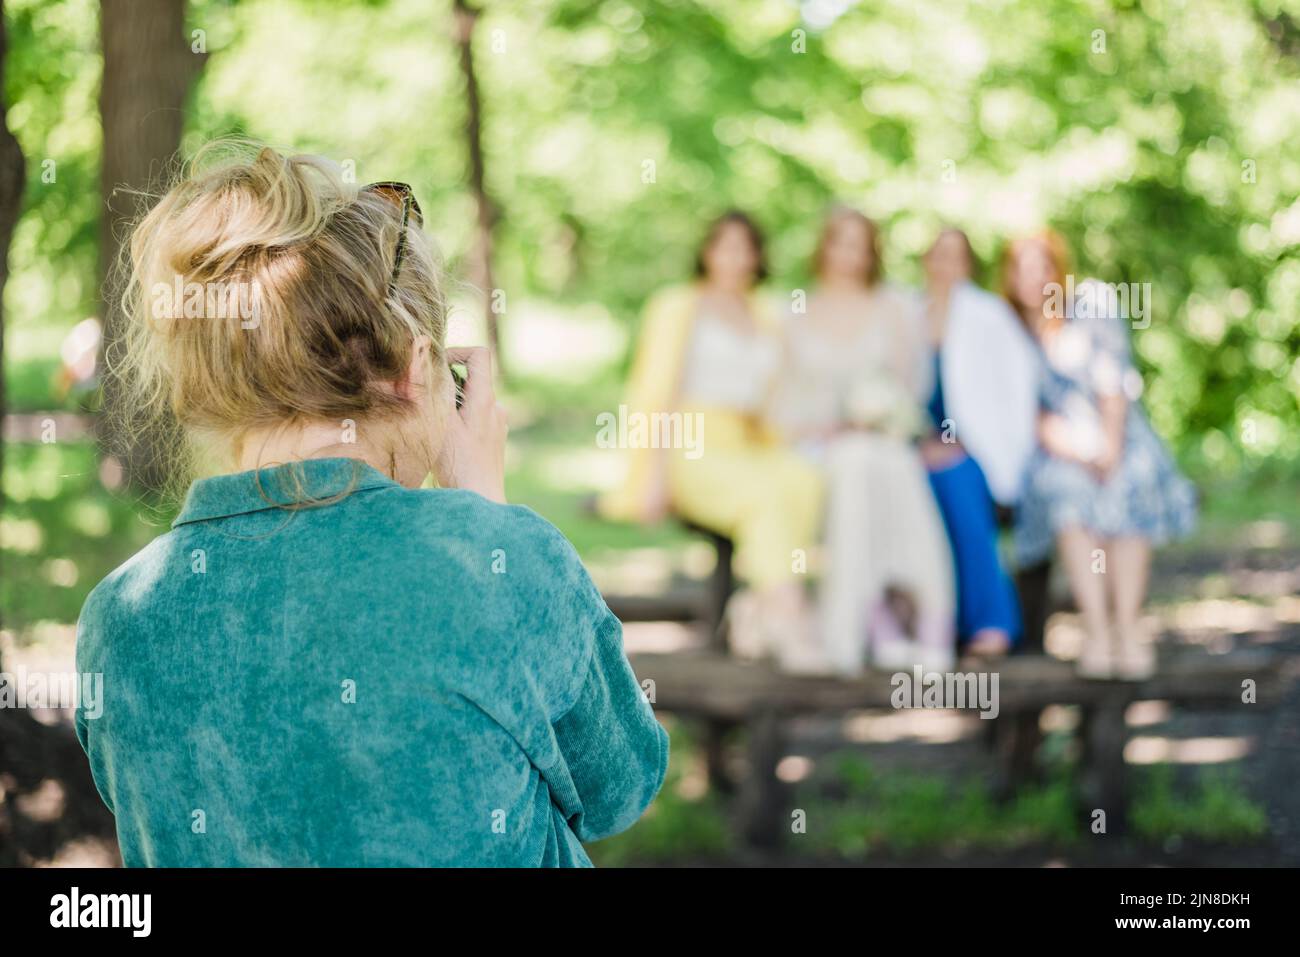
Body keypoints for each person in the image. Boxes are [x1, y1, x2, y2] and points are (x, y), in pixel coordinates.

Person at [75, 143, 668, 866]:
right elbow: (619, 785)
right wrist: (490, 523)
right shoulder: (501, 565)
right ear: (417, 371)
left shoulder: (119, 618)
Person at [598, 212, 825, 671]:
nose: (735, 258)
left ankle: (755, 607)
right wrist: (653, 477)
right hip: (690, 443)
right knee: (762, 497)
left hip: (748, 441)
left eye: (745, 247)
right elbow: (658, 391)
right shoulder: (679, 305)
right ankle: (790, 619)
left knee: (804, 479)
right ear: (707, 252)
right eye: (725, 246)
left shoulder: (767, 312)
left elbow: (777, 396)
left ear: (757, 256)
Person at [1003, 230, 1197, 680]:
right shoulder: (1007, 329)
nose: (1033, 278)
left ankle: (1126, 624)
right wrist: (1073, 449)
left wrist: (1106, 450)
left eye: (1042, 266)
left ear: (1058, 269)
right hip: (1055, 449)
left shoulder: (1090, 305)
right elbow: (1019, 408)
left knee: (1132, 480)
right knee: (1067, 493)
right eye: (1022, 269)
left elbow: (1114, 383)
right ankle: (1095, 627)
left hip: (1118, 436)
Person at [772, 207, 955, 674]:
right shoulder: (795, 309)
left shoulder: (893, 306)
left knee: (887, 463)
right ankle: (873, 620)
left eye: (859, 243)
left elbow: (909, 387)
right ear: (824, 246)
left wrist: (878, 417)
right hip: (820, 444)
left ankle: (922, 611)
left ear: (871, 251)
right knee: (853, 464)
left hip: (884, 438)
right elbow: (784, 398)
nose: (848, 254)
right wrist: (825, 427)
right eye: (840, 241)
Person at [918, 227, 1039, 657]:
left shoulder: (988, 315)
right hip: (914, 447)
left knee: (955, 483)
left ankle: (991, 621)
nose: (946, 265)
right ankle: (922, 621)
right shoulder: (908, 314)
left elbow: (1017, 391)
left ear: (968, 265)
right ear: (925, 260)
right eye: (939, 254)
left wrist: (970, 443)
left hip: (976, 449)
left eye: (957, 256)